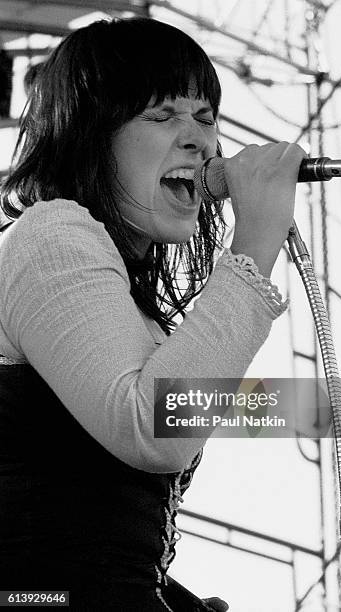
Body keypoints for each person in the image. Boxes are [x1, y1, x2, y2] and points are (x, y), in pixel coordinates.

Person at [0, 17, 305, 611]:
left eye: (205, 117)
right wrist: (257, 241)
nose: (198, 140)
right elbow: (152, 429)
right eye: (162, 116)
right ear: (93, 136)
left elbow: (92, 541)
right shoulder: (53, 234)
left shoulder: (124, 302)